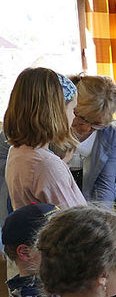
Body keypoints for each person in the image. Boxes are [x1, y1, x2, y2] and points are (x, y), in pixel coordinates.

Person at [4, 68, 85, 209]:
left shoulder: (17, 151)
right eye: (72, 110)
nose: (73, 117)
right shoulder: (46, 163)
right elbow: (76, 221)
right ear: (57, 111)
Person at [67, 75, 116, 206]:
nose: (86, 128)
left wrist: (100, 219)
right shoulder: (54, 127)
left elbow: (105, 184)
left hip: (87, 205)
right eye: (82, 118)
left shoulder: (112, 133)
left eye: (96, 125)